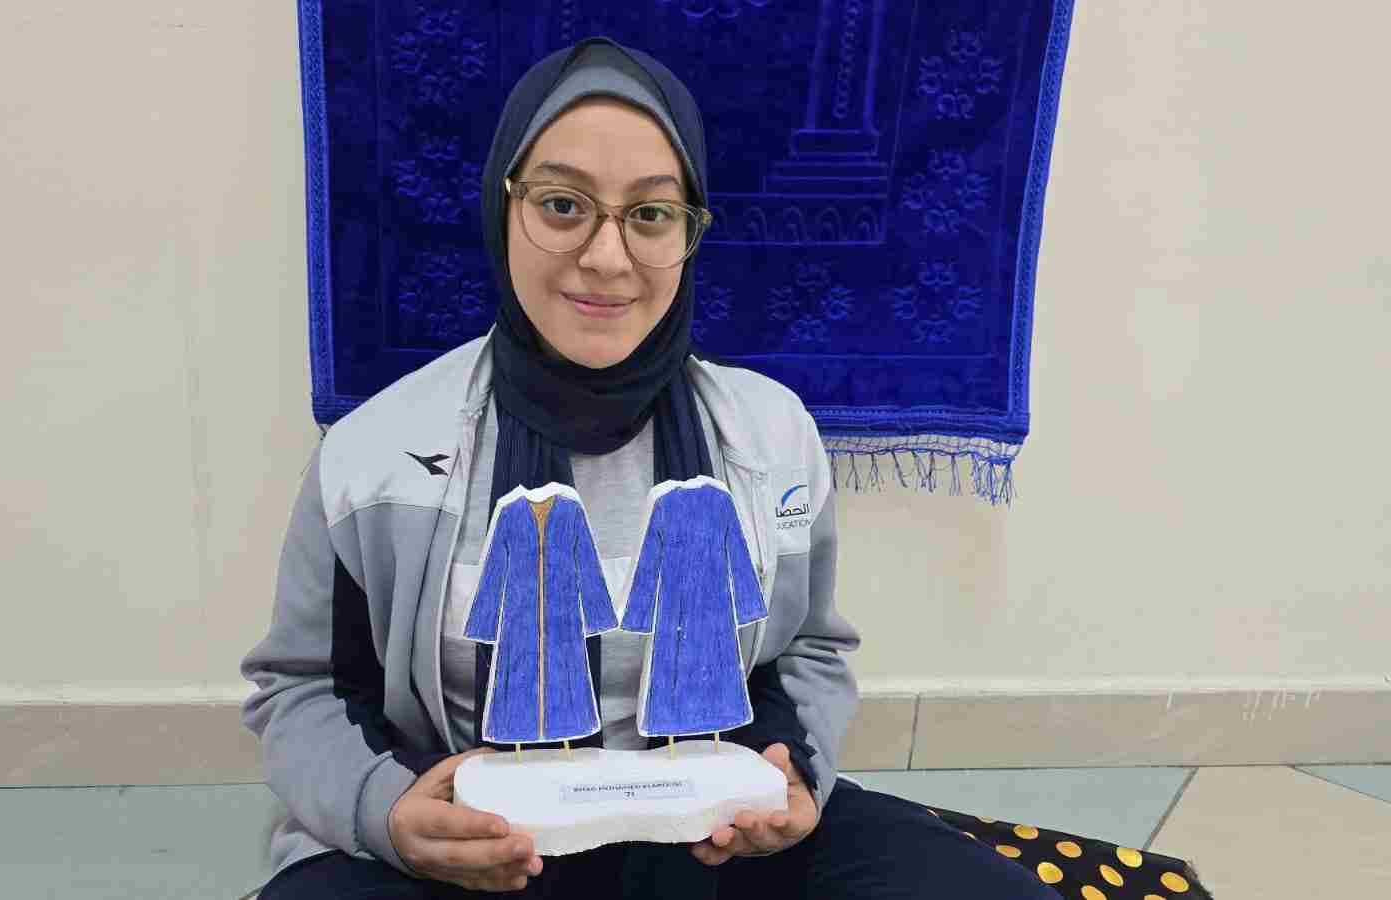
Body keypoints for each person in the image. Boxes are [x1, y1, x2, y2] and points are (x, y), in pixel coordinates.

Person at [241, 36, 1054, 899]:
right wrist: (390, 812)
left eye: (651, 214)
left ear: (689, 233)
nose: (606, 257)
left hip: (711, 841)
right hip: (471, 852)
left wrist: (794, 772)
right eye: (563, 205)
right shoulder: (377, 453)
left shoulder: (770, 434)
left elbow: (806, 650)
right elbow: (303, 690)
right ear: (501, 209)